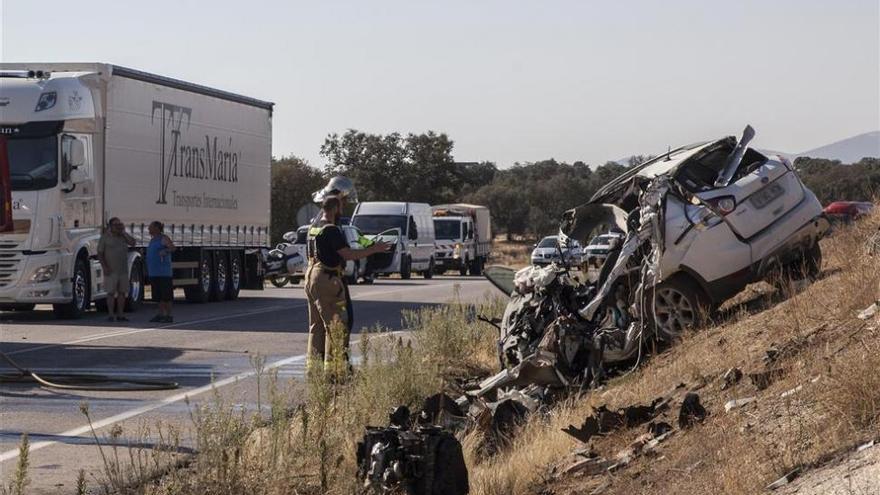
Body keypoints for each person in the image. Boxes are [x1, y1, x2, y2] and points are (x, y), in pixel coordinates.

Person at [305, 196, 388, 374]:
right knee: (337, 325)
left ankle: (315, 370)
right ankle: (337, 371)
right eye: (341, 206)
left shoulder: (314, 228)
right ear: (335, 208)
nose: (343, 210)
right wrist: (375, 249)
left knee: (317, 326)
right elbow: (348, 254)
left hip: (312, 276)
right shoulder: (331, 230)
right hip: (328, 279)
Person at [97, 217, 136, 322]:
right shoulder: (105, 237)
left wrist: (124, 233)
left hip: (123, 270)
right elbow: (100, 253)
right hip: (111, 270)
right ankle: (110, 314)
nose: (118, 227)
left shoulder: (123, 236)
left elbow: (133, 243)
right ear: (110, 226)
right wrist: (104, 267)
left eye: (119, 224)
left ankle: (120, 314)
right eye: (115, 225)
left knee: (122, 293)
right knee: (110, 292)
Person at [146, 221, 176, 323]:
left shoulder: (163, 238)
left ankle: (169, 315)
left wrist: (166, 251)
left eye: (150, 227)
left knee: (166, 296)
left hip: (164, 272)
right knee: (158, 296)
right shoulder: (152, 240)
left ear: (157, 228)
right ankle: (160, 314)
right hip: (154, 272)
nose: (148, 229)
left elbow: (172, 247)